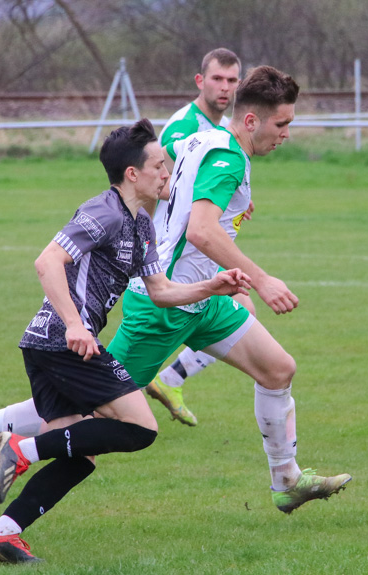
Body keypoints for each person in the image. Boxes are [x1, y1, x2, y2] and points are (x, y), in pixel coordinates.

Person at [0, 65, 351, 520]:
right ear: (252, 121)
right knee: (94, 411)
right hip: (163, 307)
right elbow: (202, 230)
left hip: (200, 297)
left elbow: (161, 187)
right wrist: (261, 280)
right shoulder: (227, 158)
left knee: (277, 369)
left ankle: (286, 481)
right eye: (282, 124)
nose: (286, 133)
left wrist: (181, 258)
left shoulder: (198, 137)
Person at [0, 118, 251, 563]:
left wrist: (210, 286)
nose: (169, 172)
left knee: (81, 454)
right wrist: (75, 324)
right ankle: (20, 446)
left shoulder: (142, 225)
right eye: (161, 165)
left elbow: (160, 292)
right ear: (133, 174)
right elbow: (48, 262)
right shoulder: (104, 211)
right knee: (141, 429)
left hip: (51, 347)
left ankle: (3, 531)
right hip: (63, 344)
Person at [146, 47, 251, 427]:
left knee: (245, 312)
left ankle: (168, 380)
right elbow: (157, 185)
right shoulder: (183, 127)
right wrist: (209, 197)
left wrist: (226, 200)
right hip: (176, 251)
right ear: (200, 81)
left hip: (198, 250)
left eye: (232, 80)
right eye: (217, 79)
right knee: (114, 384)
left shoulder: (224, 130)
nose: (225, 88)